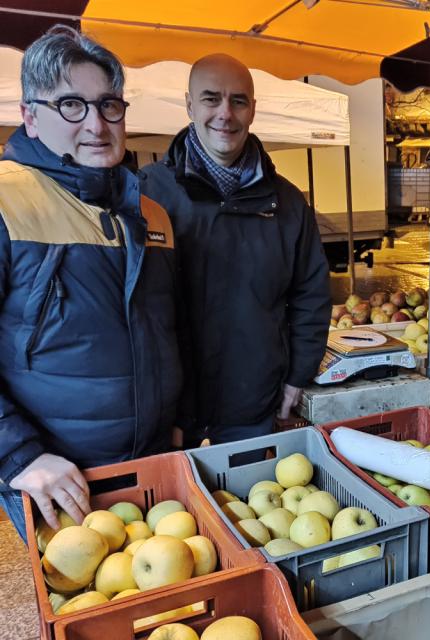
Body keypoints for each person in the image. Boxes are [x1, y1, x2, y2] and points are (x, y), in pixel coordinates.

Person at [0, 26, 182, 541]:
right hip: (55, 479)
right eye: (71, 106)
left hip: (149, 464)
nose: (97, 125)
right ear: (30, 116)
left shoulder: (150, 214)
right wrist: (19, 456)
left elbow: (168, 329)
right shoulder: (7, 201)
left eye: (109, 105)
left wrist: (173, 419)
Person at [140, 54, 331, 450]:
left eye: (238, 101)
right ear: (190, 105)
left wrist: (299, 375)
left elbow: (311, 295)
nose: (225, 113)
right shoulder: (147, 195)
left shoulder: (288, 204)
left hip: (254, 406)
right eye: (211, 99)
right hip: (170, 411)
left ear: (253, 110)